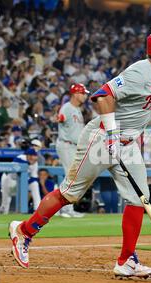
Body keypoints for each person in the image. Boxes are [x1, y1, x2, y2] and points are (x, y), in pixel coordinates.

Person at [8, 28, 151, 278]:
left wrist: (125, 138)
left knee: (139, 199)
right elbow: (102, 95)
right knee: (69, 193)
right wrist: (114, 135)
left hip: (126, 143)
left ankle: (127, 260)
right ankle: (24, 232)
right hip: (103, 137)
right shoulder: (141, 71)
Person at [55, 83, 88, 218]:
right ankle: (67, 209)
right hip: (66, 145)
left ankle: (57, 207)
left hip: (74, 146)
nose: (85, 96)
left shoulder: (77, 109)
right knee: (71, 177)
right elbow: (60, 118)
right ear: (75, 94)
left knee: (71, 177)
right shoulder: (67, 108)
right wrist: (59, 117)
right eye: (83, 93)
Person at [1, 148, 40, 214]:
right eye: (29, 155)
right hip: (9, 179)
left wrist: (27, 184)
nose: (31, 157)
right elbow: (17, 166)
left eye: (33, 155)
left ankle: (37, 209)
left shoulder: (35, 163)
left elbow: (34, 178)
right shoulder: (20, 158)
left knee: (35, 184)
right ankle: (3, 213)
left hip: (21, 182)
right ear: (26, 155)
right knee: (6, 200)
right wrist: (29, 163)